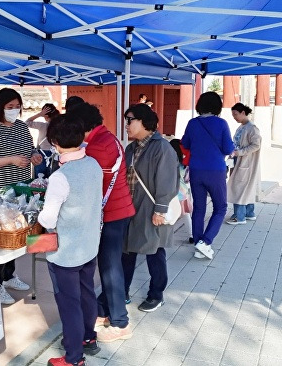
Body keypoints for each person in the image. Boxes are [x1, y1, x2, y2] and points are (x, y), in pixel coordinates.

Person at [38, 114, 103, 366]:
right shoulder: (93, 165)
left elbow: (48, 219)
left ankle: (74, 358)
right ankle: (88, 337)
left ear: (54, 142)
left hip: (65, 252)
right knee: (86, 293)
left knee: (69, 303)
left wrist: (41, 211)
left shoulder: (60, 178)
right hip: (88, 245)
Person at [70, 102, 135, 343]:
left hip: (112, 214)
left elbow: (86, 184)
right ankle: (105, 311)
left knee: (110, 267)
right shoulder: (107, 136)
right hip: (118, 209)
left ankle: (120, 322)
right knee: (110, 264)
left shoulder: (98, 147)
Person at [0, 87, 42, 305]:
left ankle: (9, 276)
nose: (14, 111)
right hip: (1, 190)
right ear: (0, 107)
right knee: (1, 240)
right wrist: (10, 159)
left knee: (17, 236)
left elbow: (32, 148)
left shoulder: (23, 127)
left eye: (17, 107)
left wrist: (34, 156)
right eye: (9, 107)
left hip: (22, 189)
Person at [121, 104, 179, 313]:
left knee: (154, 251)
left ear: (144, 122)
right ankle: (122, 292)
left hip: (151, 208)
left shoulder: (162, 147)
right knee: (126, 251)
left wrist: (160, 210)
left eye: (130, 120)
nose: (126, 125)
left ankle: (156, 294)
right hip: (129, 208)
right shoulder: (131, 148)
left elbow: (168, 181)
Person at [181, 91, 234, 260]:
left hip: (196, 170)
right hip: (215, 170)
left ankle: (198, 244)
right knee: (220, 207)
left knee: (199, 208)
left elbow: (185, 144)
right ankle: (205, 241)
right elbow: (228, 149)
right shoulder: (222, 123)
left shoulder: (192, 123)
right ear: (217, 106)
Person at [226, 103, 261, 225]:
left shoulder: (252, 128)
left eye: (235, 114)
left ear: (243, 113)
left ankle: (239, 216)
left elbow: (256, 145)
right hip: (238, 159)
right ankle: (249, 213)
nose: (234, 117)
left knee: (239, 187)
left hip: (246, 161)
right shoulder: (242, 126)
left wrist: (240, 152)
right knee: (246, 187)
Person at [25, 103, 60, 178]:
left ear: (46, 116)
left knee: (39, 181)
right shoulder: (60, 126)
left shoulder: (42, 125)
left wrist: (39, 114)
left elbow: (27, 122)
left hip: (41, 155)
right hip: (55, 155)